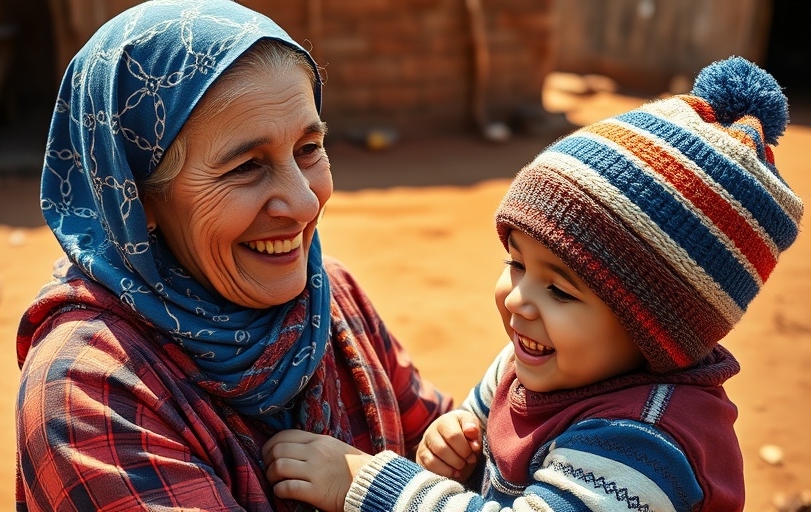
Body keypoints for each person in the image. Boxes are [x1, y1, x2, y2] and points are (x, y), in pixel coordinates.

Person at [262, 56, 805, 511]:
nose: (518, 299)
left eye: (561, 290)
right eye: (516, 263)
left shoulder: (648, 442)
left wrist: (367, 486)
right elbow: (477, 431)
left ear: (658, 329)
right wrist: (455, 443)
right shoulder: (530, 363)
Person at [14, 1, 452, 510]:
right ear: (136, 199)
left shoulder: (331, 299)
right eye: (246, 166)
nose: (305, 203)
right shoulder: (92, 391)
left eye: (309, 148)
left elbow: (449, 451)